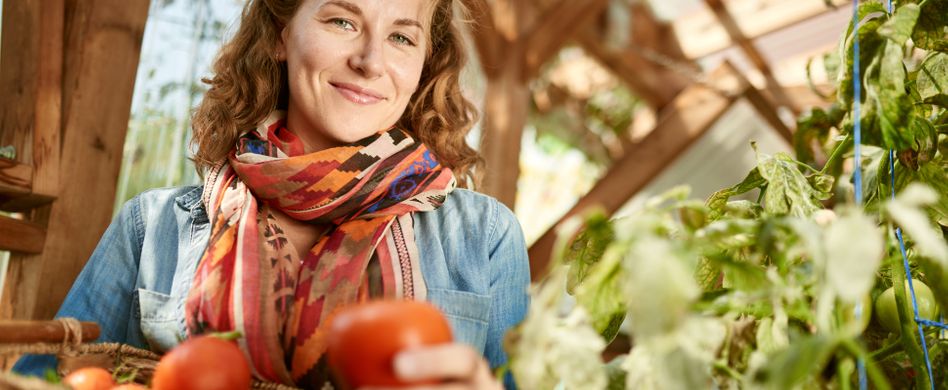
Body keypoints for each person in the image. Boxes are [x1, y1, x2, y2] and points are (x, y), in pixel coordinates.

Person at [14, 0, 530, 388]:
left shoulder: (484, 237)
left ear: (421, 65)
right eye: (342, 21)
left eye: (401, 37)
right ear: (281, 36)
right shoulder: (153, 227)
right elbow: (44, 380)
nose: (371, 62)